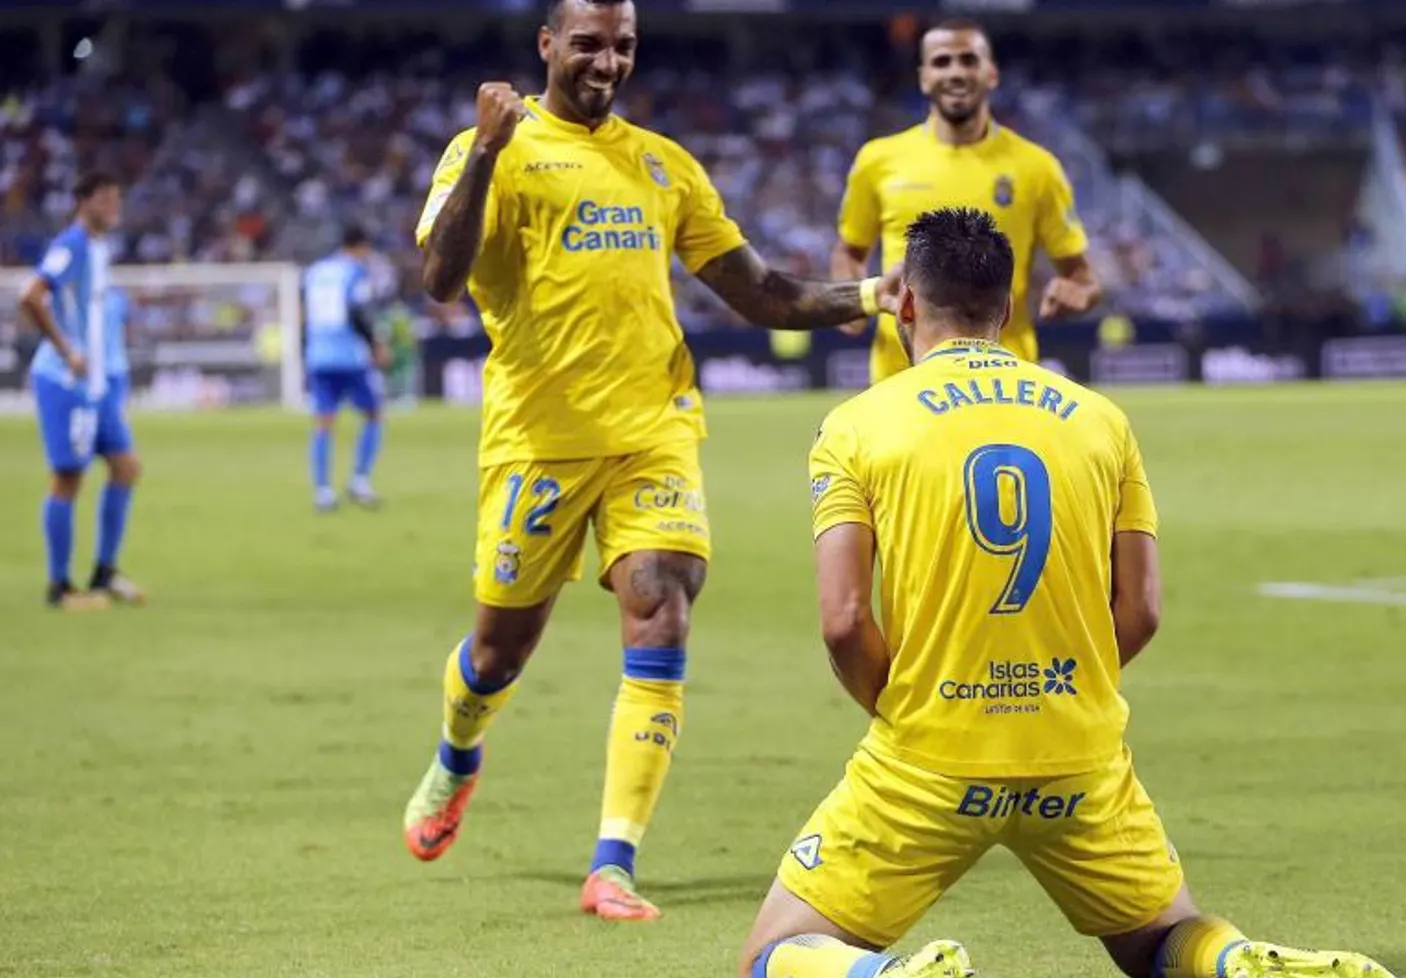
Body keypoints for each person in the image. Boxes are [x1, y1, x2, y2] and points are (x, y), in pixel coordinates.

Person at [732, 208, 1406, 978]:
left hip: (930, 756)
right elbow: (1144, 609)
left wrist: (909, 705)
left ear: (905, 304)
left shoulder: (858, 425)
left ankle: (871, 976)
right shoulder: (1100, 419)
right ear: (1008, 307)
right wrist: (1071, 684)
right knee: (1159, 939)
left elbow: (842, 622)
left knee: (768, 961)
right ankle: (1237, 960)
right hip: (1078, 756)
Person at [401, 0, 898, 922]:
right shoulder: (494, 150)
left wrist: (872, 293)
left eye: (623, 44)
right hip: (538, 442)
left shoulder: (664, 163)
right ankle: (457, 752)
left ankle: (613, 862)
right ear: (547, 44)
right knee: (500, 650)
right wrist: (484, 149)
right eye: (588, 42)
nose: (607, 60)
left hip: (653, 431)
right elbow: (437, 279)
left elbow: (758, 292)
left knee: (660, 603)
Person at [832, 17, 1100, 385]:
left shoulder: (1038, 168)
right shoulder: (877, 160)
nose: (956, 72)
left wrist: (1076, 293)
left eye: (968, 60)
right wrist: (852, 298)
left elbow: (1082, 277)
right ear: (924, 77)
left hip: (1004, 381)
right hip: (900, 379)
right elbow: (849, 252)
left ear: (991, 73)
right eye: (942, 62)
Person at [18, 173, 144, 609]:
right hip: (64, 380)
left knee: (126, 466)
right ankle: (59, 587)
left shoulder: (97, 248)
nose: (114, 207)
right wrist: (66, 350)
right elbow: (31, 296)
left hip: (95, 383)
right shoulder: (70, 244)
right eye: (106, 199)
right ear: (82, 201)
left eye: (117, 199)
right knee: (68, 477)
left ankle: (104, 572)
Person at [303, 225, 389, 511]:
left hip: (318, 355)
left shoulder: (315, 272)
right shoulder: (354, 272)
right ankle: (359, 480)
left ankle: (323, 491)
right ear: (360, 246)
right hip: (348, 355)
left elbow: (307, 312)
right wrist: (375, 343)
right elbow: (357, 311)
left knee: (324, 423)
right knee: (374, 415)